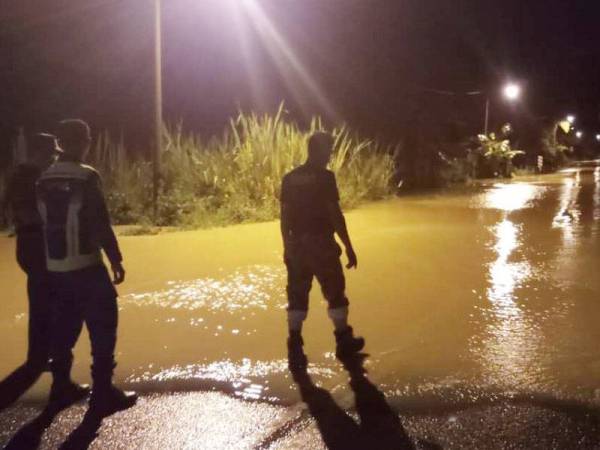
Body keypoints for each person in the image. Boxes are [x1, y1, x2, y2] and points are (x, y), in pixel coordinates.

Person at [36, 119, 137, 415]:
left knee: (64, 329)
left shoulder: (43, 178)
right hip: (87, 267)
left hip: (56, 268)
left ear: (60, 144)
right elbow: (99, 222)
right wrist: (115, 259)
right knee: (103, 327)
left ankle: (60, 387)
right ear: (84, 142)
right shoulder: (86, 176)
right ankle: (102, 393)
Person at [1, 133, 88, 408]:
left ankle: (46, 365)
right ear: (44, 152)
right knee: (60, 310)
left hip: (28, 246)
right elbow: (45, 213)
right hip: (40, 246)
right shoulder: (36, 176)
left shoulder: (20, 174)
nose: (55, 157)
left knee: (47, 306)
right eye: (52, 153)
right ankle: (48, 370)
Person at [280, 131, 365, 368]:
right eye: (329, 150)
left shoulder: (290, 178)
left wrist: (287, 247)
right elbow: (334, 214)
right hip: (321, 244)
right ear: (318, 150)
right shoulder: (325, 178)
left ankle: (295, 346)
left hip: (297, 244)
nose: (330, 155)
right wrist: (348, 246)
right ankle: (344, 342)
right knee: (335, 291)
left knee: (297, 294)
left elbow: (284, 217)